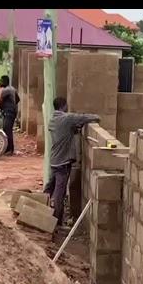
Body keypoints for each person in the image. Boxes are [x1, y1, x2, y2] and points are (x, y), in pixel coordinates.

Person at [45, 96, 100, 226]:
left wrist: (75, 128)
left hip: (54, 160)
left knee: (50, 187)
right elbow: (83, 117)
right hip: (63, 162)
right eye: (66, 106)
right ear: (64, 106)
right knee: (60, 192)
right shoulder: (66, 118)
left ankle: (41, 207)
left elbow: (69, 130)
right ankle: (56, 221)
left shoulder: (53, 120)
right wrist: (97, 117)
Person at [0, 75, 20, 156]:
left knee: (7, 130)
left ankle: (9, 149)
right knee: (8, 129)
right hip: (13, 112)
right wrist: (12, 104)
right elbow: (18, 99)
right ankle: (9, 149)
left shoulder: (5, 90)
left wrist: (1, 107)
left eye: (1, 80)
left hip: (8, 112)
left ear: (5, 81)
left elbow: (0, 102)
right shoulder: (13, 89)